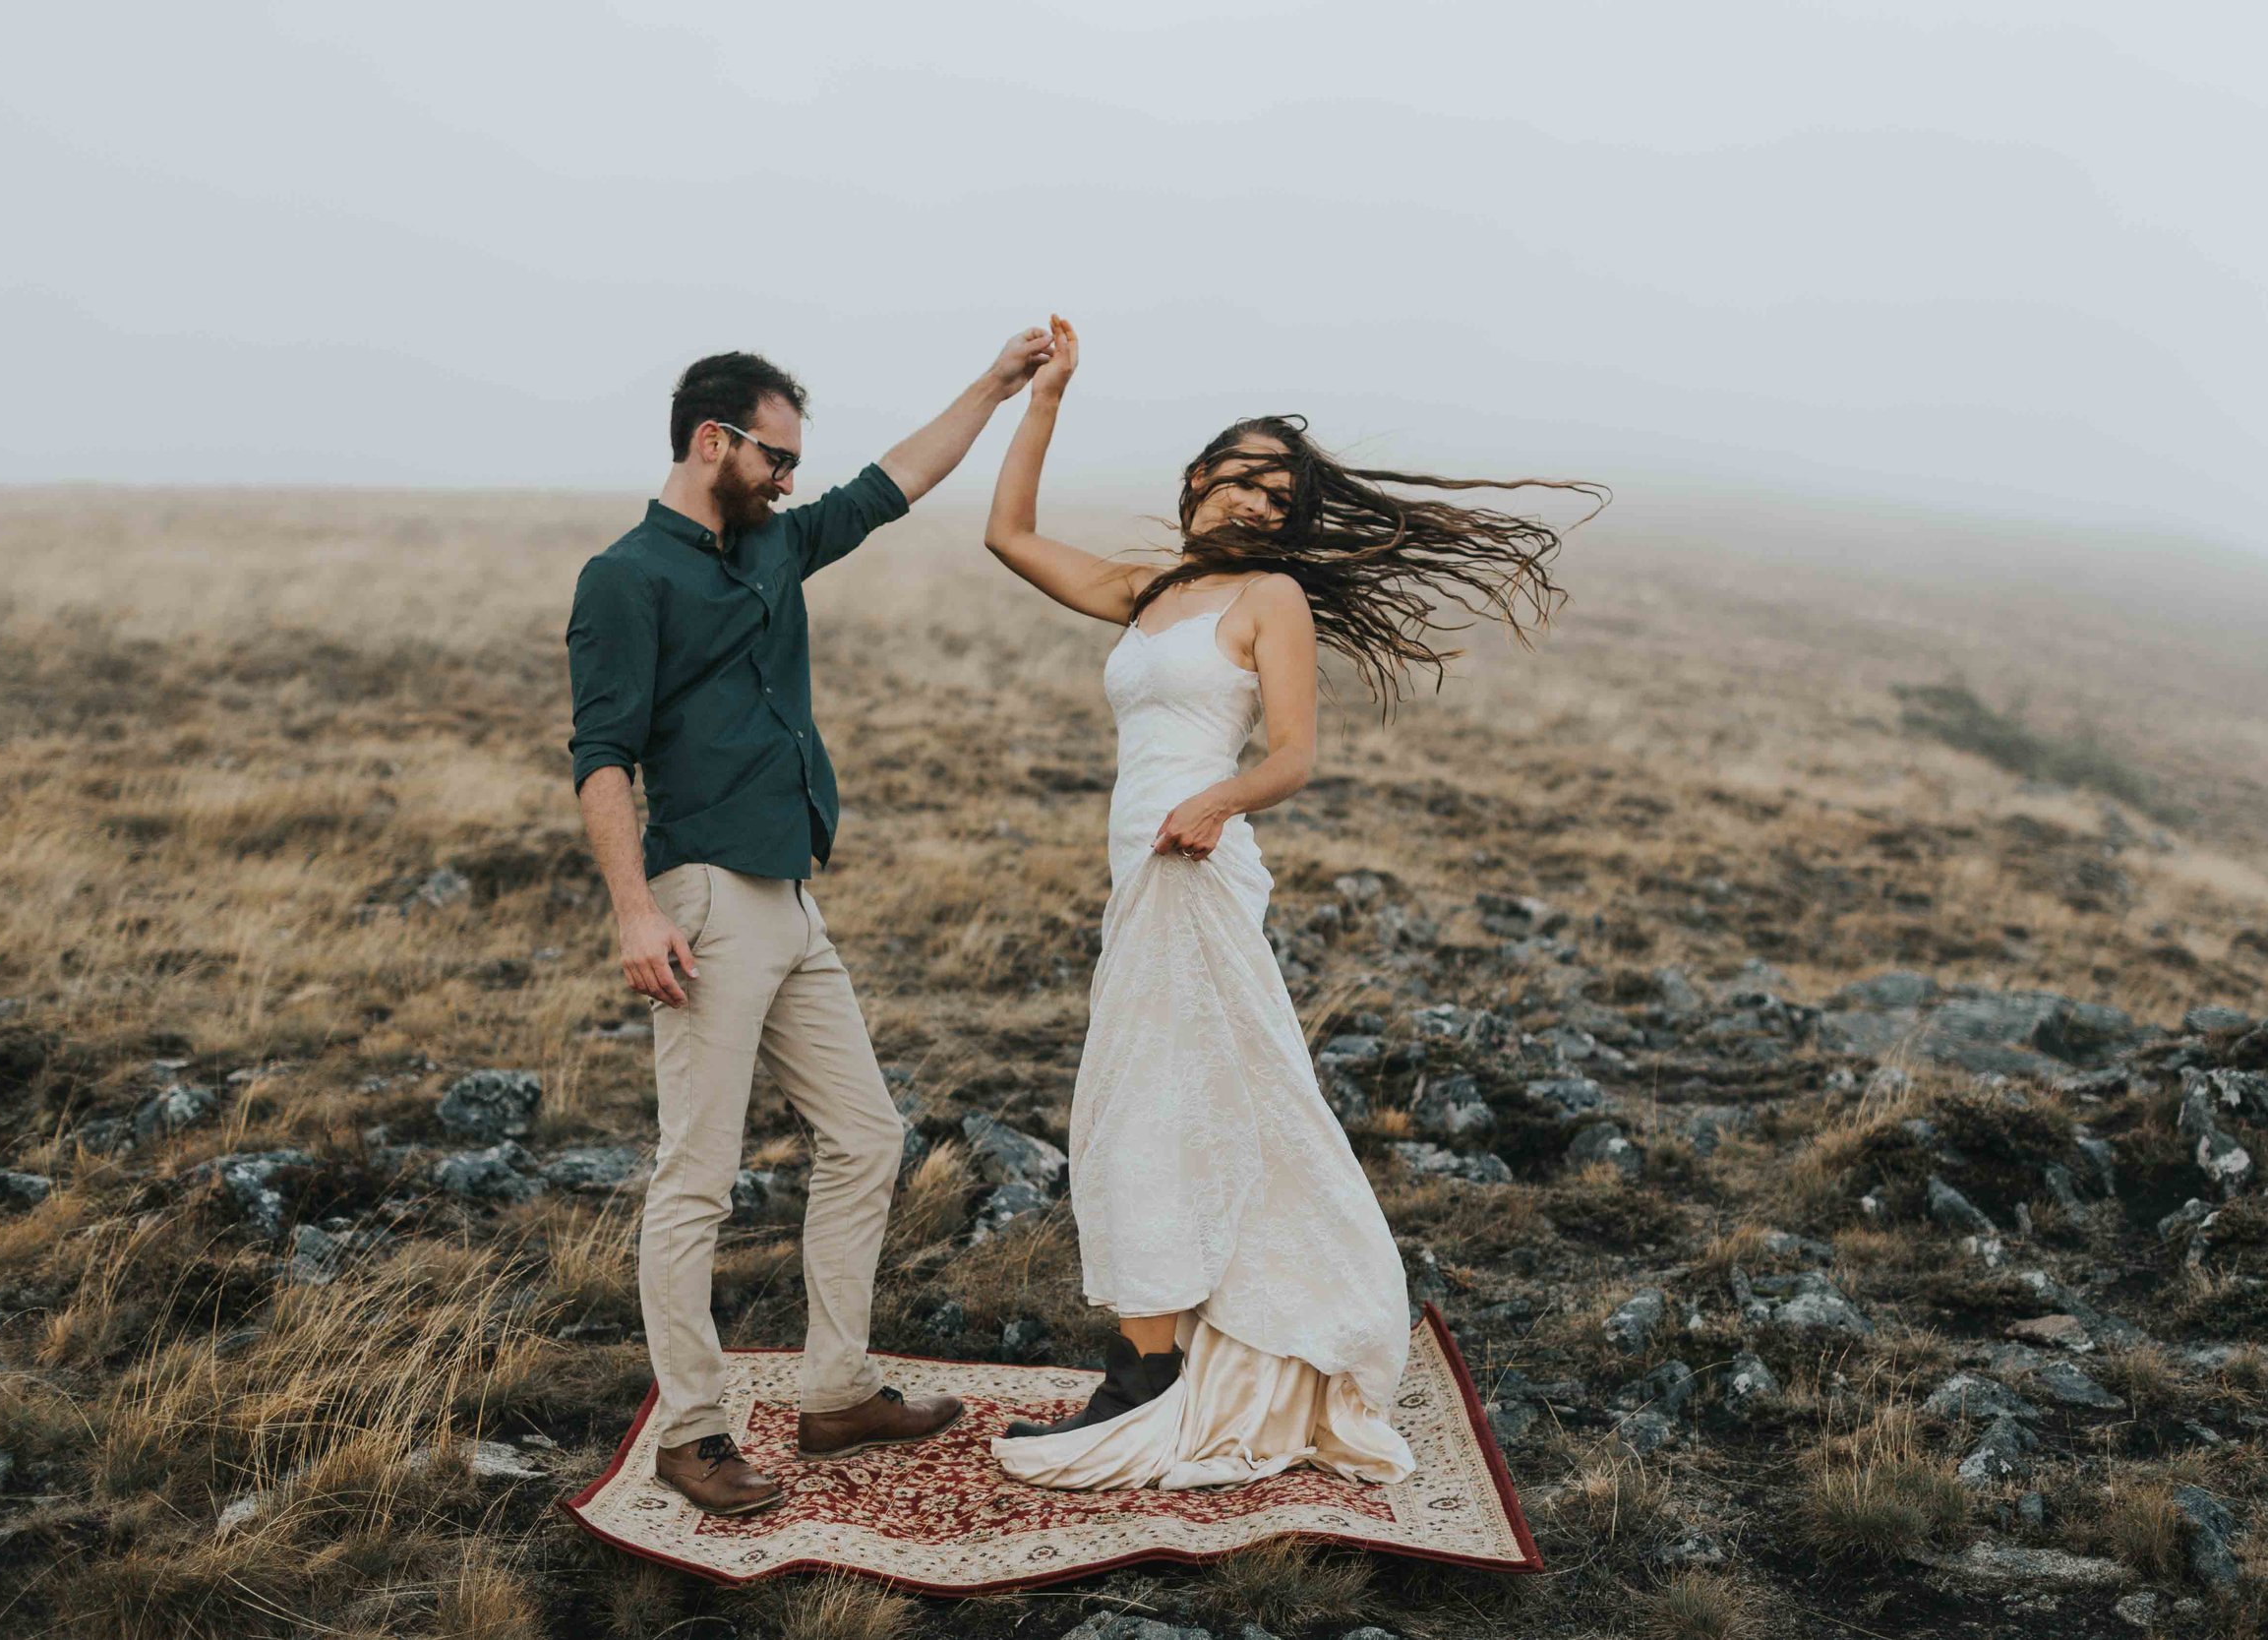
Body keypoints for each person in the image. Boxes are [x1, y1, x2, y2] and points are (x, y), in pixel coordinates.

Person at [981, 317, 1600, 1489]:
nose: (1264, 498)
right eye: (1247, 473)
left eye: (1284, 488)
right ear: (1198, 479)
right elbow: (1006, 533)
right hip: (1140, 861)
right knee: (1162, 1088)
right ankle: (1171, 1343)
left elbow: (1293, 755)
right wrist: (1047, 395)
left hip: (1194, 861)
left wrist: (1214, 804)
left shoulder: (1271, 598)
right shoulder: (1144, 591)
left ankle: (1152, 1365)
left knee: (1159, 1093)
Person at [566, 331, 1055, 1516]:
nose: (790, 477)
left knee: (867, 1134)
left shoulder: (775, 547)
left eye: (795, 461)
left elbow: (896, 482)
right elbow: (601, 759)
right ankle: (691, 1428)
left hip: (791, 899)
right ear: (709, 440)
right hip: (701, 901)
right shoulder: (625, 578)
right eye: (775, 456)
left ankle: (834, 1392)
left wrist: (996, 387)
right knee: (699, 1174)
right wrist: (634, 911)